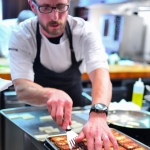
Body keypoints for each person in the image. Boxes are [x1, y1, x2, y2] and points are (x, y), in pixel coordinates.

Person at [8, 0, 118, 149]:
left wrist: (98, 114)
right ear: (33, 7)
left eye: (61, 6)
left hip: (75, 110)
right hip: (36, 114)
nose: (55, 16)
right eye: (45, 7)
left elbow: (101, 75)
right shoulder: (22, 35)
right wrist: (51, 94)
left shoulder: (84, 32)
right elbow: (21, 88)